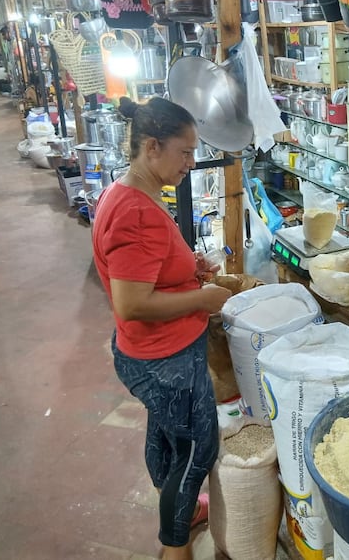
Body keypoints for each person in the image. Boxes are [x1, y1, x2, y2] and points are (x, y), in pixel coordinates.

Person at [92, 97, 231, 560]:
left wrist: (189, 266)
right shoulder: (135, 210)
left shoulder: (127, 191)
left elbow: (141, 269)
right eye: (185, 152)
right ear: (152, 146)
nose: (192, 163)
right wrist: (203, 299)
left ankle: (181, 511)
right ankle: (175, 546)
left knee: (168, 437)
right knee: (196, 450)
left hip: (148, 353)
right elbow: (131, 302)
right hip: (164, 358)